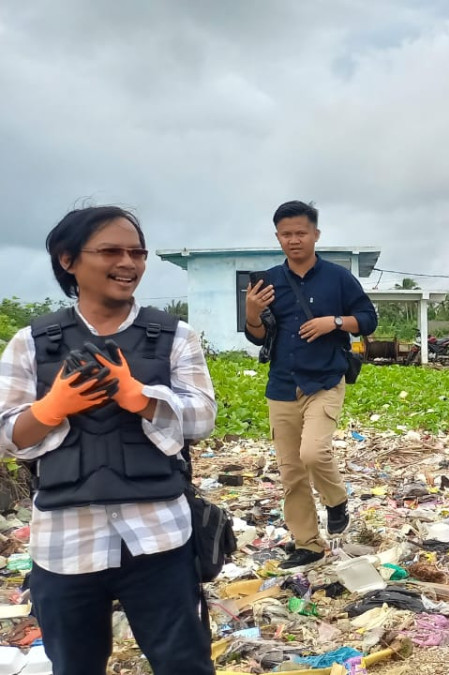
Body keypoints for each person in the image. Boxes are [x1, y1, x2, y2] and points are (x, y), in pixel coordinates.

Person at [0, 206, 216, 673]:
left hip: (159, 535)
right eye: (111, 251)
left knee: (184, 664)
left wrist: (140, 397)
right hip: (64, 542)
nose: (129, 263)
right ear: (68, 259)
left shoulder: (174, 336)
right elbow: (7, 435)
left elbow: (202, 419)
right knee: (75, 667)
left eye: (137, 253)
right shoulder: (31, 343)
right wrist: (51, 408)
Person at [244, 201, 378, 569]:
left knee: (313, 454)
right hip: (282, 386)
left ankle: (336, 501)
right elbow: (258, 337)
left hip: (324, 381)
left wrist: (333, 322)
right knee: (291, 472)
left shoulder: (338, 278)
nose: (294, 240)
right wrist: (252, 312)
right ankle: (307, 544)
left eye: (300, 233)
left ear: (316, 234)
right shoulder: (268, 281)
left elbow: (369, 319)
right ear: (277, 237)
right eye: (286, 234)